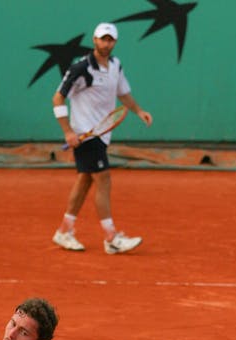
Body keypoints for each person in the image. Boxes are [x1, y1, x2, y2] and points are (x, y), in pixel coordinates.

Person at [52, 22, 153, 254]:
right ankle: (111, 237)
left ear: (114, 42)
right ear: (94, 40)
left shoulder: (116, 66)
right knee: (103, 178)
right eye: (102, 39)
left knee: (85, 180)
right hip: (85, 133)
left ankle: (64, 231)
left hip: (102, 133)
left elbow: (123, 93)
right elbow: (57, 99)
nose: (106, 43)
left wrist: (138, 110)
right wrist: (68, 131)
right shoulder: (80, 68)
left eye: (110, 39)